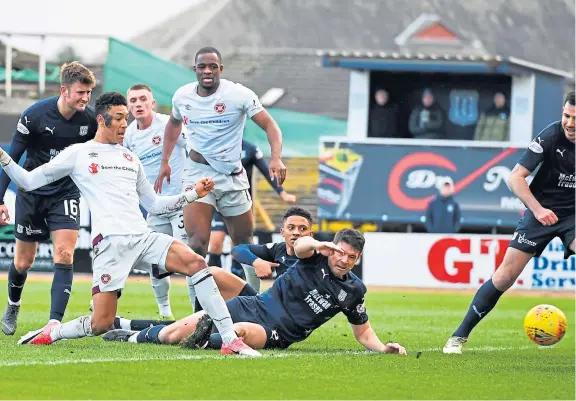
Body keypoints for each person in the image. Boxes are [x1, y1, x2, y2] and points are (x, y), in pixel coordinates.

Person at [0, 92, 260, 356]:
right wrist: (4, 158)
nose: (126, 123)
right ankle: (52, 332)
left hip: (143, 237)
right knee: (100, 323)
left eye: (126, 117)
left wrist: (193, 195)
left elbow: (156, 205)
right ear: (101, 120)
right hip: (111, 244)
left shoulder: (129, 158)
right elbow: (28, 182)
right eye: (119, 118)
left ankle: (229, 340)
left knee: (197, 263)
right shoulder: (78, 154)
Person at [103, 229, 407, 356]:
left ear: (358, 260)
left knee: (238, 334)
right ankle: (128, 333)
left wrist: (382, 348)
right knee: (173, 333)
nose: (343, 260)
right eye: (341, 252)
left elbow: (363, 332)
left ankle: (204, 339)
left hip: (277, 331)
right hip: (253, 303)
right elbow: (299, 247)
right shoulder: (313, 253)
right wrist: (316, 244)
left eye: (351, 257)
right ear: (332, 248)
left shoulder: (354, 290)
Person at [443, 92, 575, 354]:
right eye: (566, 116)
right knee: (504, 276)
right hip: (541, 211)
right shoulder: (549, 137)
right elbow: (515, 178)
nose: (570, 123)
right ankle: (458, 337)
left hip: (574, 215)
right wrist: (537, 210)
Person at [155, 46, 286, 297]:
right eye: (202, 66)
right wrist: (165, 161)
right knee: (198, 242)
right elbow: (173, 124)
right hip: (197, 173)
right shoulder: (182, 96)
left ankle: (253, 300)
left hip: (232, 176)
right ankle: (199, 307)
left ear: (220, 70)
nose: (207, 71)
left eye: (212, 66)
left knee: (244, 244)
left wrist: (276, 158)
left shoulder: (239, 94)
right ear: (195, 70)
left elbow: (271, 125)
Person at [0, 62, 98, 336]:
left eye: (89, 92)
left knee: (65, 253)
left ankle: (54, 322)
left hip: (65, 192)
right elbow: (11, 159)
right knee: (23, 263)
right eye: (81, 92)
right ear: (64, 90)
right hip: (32, 193)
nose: (85, 98)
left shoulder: (89, 121)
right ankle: (13, 304)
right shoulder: (34, 115)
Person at [109, 205, 314, 329]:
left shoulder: (319, 259)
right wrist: (256, 261)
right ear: (283, 231)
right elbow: (239, 249)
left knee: (204, 326)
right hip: (263, 305)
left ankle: (127, 325)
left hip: (278, 319)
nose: (296, 233)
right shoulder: (278, 249)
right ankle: (199, 319)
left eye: (302, 229)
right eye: (291, 228)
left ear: (311, 235)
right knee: (211, 274)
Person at [123, 84, 188, 319]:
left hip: (182, 202)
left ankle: (200, 313)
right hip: (155, 207)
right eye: (133, 100)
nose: (138, 104)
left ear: (152, 103)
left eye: (143, 99)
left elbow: (192, 148)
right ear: (128, 106)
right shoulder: (129, 135)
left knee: (189, 257)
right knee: (154, 260)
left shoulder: (169, 125)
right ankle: (165, 314)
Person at [208, 139, 296, 278]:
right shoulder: (215, 146)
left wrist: (283, 193)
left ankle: (237, 279)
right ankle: (213, 280)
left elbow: (268, 172)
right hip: (219, 203)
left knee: (237, 244)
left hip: (242, 204)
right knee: (215, 242)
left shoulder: (250, 149)